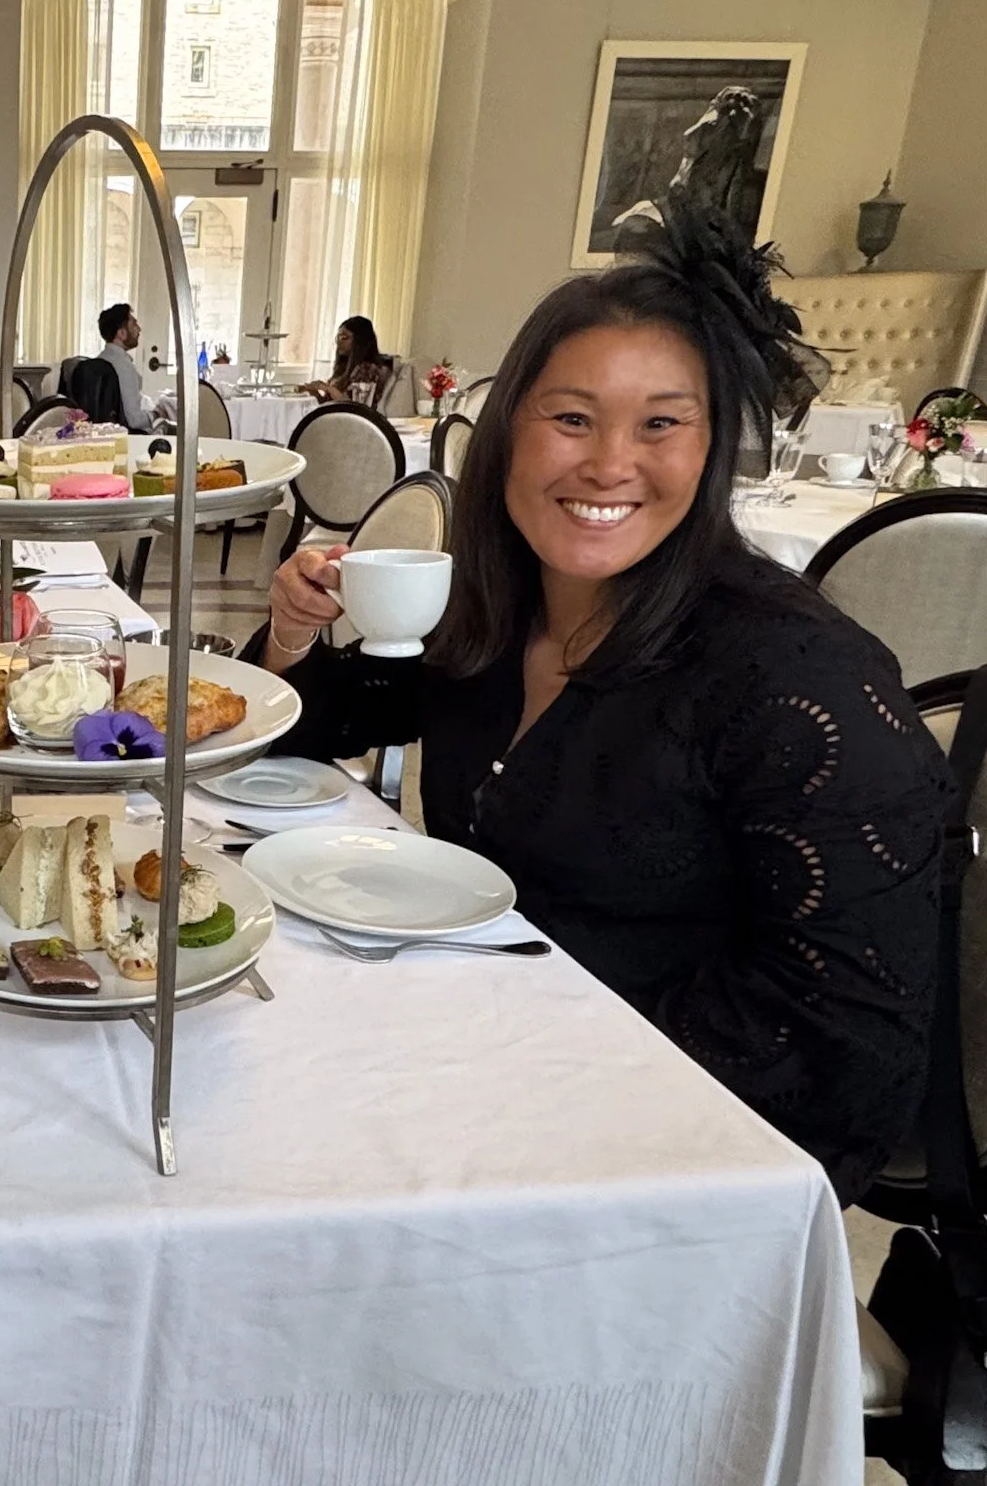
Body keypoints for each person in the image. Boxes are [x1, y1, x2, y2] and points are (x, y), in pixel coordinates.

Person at [253, 207, 952, 1207]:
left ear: (708, 449)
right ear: (507, 434)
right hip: (479, 1087)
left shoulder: (796, 683)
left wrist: (525, 1063)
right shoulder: (505, 611)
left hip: (656, 1169)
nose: (608, 465)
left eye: (659, 423)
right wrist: (289, 634)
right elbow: (315, 730)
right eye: (571, 418)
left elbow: (849, 1053)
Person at [302, 314, 390, 405]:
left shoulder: (367, 369)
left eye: (344, 338)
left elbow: (355, 406)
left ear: (360, 340)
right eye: (338, 337)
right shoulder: (343, 367)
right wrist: (314, 393)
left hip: (353, 418)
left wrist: (328, 388)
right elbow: (328, 405)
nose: (339, 342)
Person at [96, 303, 155, 432]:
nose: (139, 329)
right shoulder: (124, 367)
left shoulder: (102, 359)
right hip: (132, 437)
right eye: (134, 324)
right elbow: (135, 420)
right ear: (121, 333)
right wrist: (157, 414)